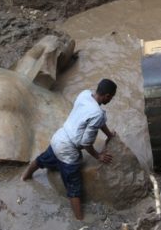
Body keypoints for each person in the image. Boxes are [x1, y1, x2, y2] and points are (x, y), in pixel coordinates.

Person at [22, 79, 118, 220]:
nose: (111, 99)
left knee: (42, 159)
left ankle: (25, 177)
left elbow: (97, 120)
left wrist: (109, 135)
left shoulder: (85, 94)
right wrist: (99, 156)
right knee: (74, 188)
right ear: (107, 96)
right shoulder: (97, 114)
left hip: (59, 137)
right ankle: (79, 220)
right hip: (68, 149)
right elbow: (86, 143)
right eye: (112, 97)